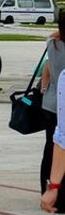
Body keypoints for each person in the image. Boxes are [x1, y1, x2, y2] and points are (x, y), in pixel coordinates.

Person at [41, 12, 65, 204]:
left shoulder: (53, 45)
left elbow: (51, 35)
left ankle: (45, 188)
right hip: (62, 106)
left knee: (50, 148)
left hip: (50, 103)